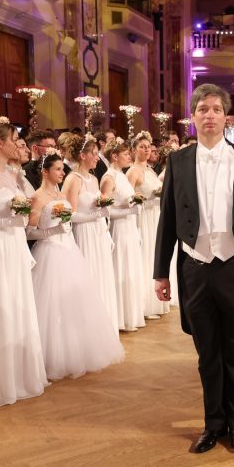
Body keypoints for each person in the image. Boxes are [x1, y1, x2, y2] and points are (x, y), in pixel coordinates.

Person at [154, 84, 234, 454]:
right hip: (196, 266)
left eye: (216, 109)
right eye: (202, 109)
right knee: (207, 353)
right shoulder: (177, 161)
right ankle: (212, 424)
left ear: (226, 117)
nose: (209, 115)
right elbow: (168, 219)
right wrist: (161, 272)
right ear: (193, 117)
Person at [0, 117, 48, 406]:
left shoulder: (13, 175)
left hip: (15, 244)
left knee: (18, 304)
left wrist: (23, 213)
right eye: (13, 138)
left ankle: (20, 374)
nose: (18, 143)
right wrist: (8, 217)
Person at [28, 152, 123, 380]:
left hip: (69, 249)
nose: (63, 173)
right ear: (45, 171)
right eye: (58, 169)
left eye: (63, 169)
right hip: (49, 251)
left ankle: (76, 350)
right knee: (51, 305)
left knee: (74, 303)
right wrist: (53, 231)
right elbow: (30, 231)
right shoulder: (37, 197)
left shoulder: (60, 194)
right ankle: (54, 356)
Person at [61, 133, 119, 332]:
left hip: (97, 233)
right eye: (93, 153)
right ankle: (87, 327)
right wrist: (96, 215)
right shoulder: (73, 179)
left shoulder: (94, 179)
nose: (97, 157)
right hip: (83, 234)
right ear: (82, 155)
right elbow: (70, 216)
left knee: (101, 274)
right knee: (89, 276)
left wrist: (102, 215)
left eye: (96, 153)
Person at [100, 138, 146, 332]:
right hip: (119, 229)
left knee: (131, 269)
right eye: (126, 154)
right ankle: (119, 317)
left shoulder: (121, 176)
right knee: (121, 268)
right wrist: (129, 211)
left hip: (130, 228)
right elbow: (106, 210)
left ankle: (131, 315)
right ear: (114, 156)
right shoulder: (109, 178)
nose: (129, 156)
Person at [127, 131, 168, 320]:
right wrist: (149, 199)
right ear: (134, 150)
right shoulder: (132, 171)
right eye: (141, 147)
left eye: (148, 147)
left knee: (155, 255)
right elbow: (129, 199)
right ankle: (145, 304)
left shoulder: (150, 170)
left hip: (155, 217)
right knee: (145, 257)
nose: (146, 150)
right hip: (144, 219)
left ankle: (156, 300)